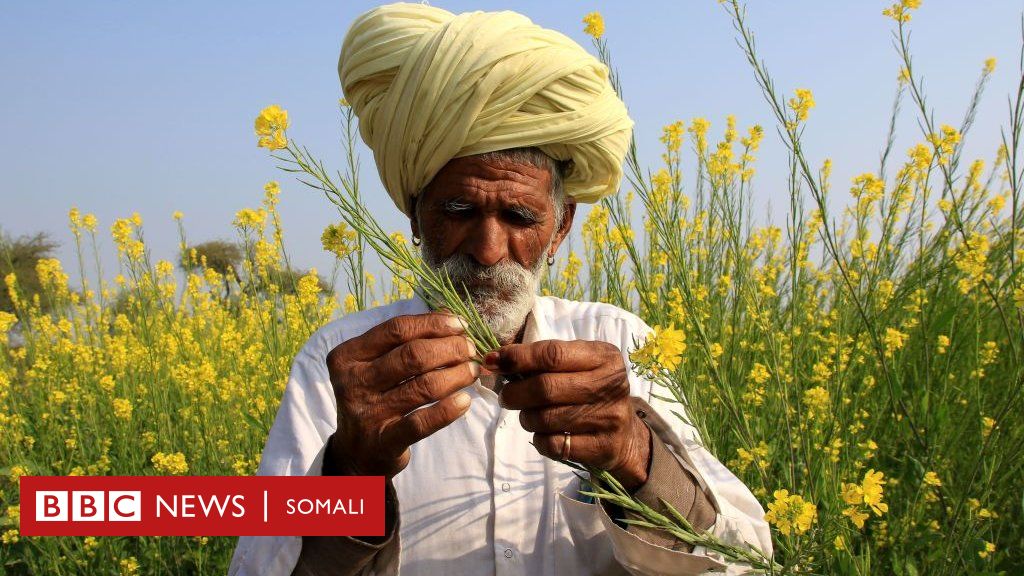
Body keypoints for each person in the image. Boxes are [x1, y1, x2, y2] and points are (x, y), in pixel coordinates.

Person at [229, 4, 771, 575]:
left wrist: (634, 455)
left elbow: (745, 561)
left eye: (519, 216)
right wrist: (351, 474)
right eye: (458, 210)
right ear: (415, 216)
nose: (488, 250)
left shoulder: (619, 341)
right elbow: (259, 567)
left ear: (561, 227)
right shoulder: (340, 362)